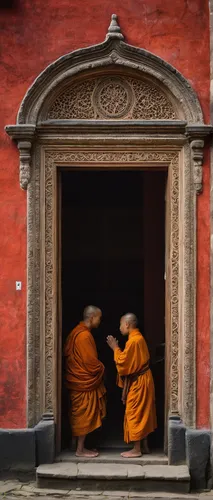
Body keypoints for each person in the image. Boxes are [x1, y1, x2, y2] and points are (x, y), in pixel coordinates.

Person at [107, 313, 157, 458]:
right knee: (143, 411)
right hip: (143, 379)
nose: (120, 327)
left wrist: (115, 348)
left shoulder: (134, 341)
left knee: (134, 412)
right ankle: (145, 445)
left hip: (139, 382)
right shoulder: (137, 339)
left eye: (121, 324)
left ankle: (136, 449)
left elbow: (123, 364)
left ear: (127, 324)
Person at [64, 305, 106, 458]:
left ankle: (75, 443)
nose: (100, 321)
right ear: (92, 317)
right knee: (84, 414)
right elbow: (90, 363)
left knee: (78, 413)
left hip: (76, 380)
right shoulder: (84, 336)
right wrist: (102, 367)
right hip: (84, 382)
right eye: (99, 318)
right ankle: (80, 450)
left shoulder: (75, 332)